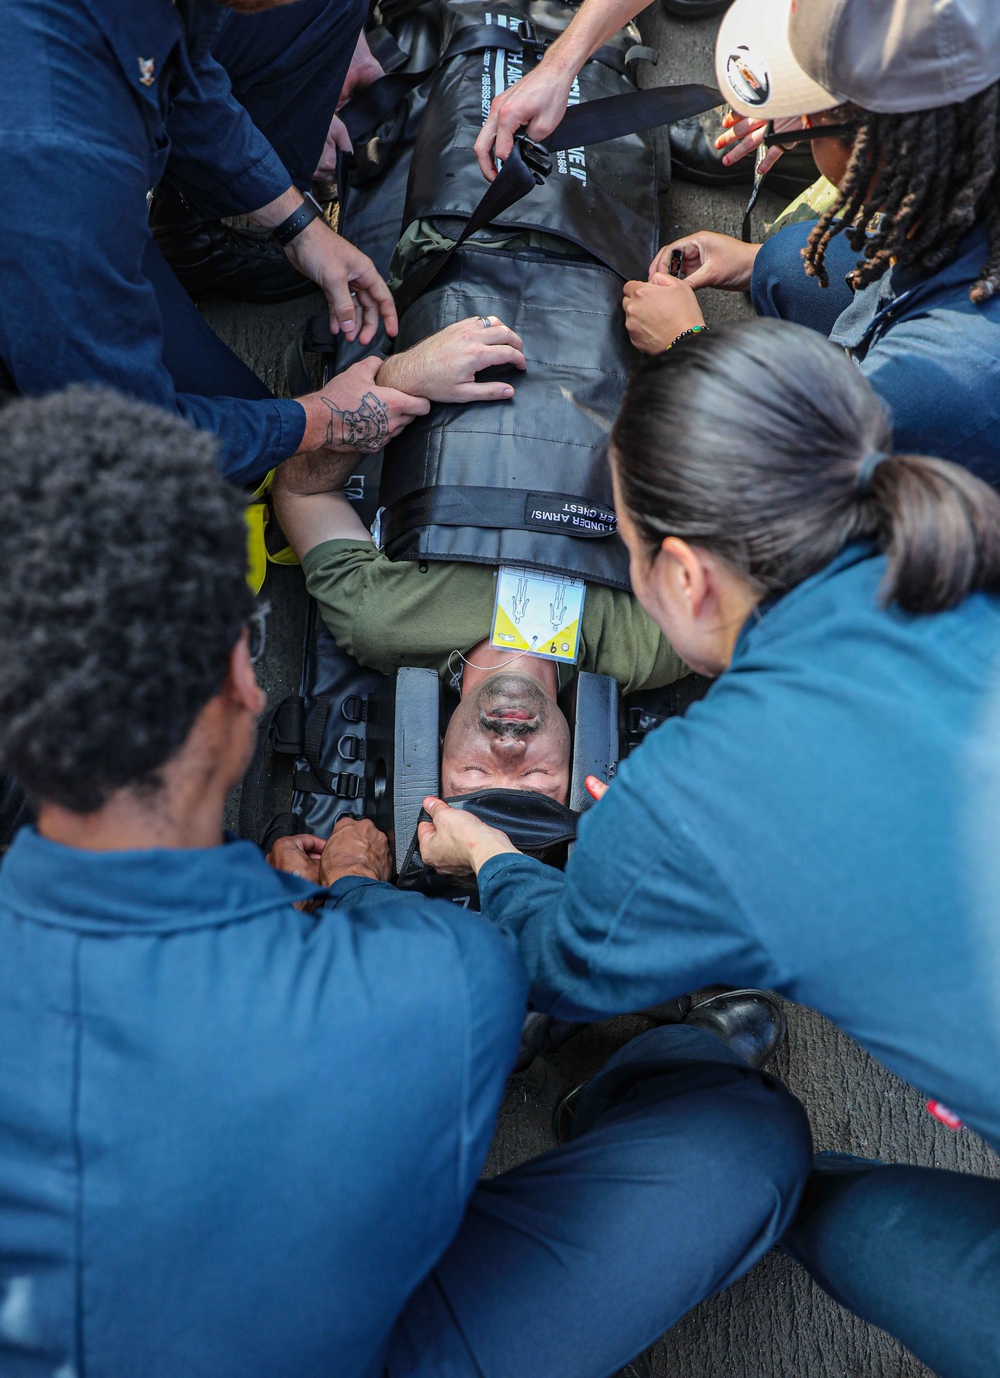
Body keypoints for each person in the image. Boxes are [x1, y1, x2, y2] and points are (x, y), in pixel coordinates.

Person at [0, 386, 812, 1378]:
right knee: (743, 1148)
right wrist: (351, 899)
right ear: (243, 680)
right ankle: (613, 1059)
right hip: (353, 1333)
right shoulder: (438, 975)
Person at [417, 319, 1000, 1378]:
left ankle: (651, 1112)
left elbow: (565, 969)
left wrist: (491, 860)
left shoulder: (700, 793)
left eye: (627, 553)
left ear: (682, 577)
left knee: (834, 1214)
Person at [0, 0, 487, 485]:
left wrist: (296, 222)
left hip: (72, 208)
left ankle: (191, 247)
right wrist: (318, 422)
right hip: (52, 229)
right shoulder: (60, 150)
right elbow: (121, 438)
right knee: (224, 469)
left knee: (319, 2)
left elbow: (182, 63)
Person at [621, 0, 1000, 487]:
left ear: (883, 149)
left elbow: (794, 478)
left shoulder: (937, 381)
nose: (790, 128)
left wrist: (688, 349)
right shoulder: (966, 157)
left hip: (948, 523)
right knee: (785, 263)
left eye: (809, 120)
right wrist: (747, 261)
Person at [273, 374, 688, 802]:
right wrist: (682, 340)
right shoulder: (654, 646)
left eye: (475, 772)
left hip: (458, 338)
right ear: (580, 766)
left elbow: (302, 491)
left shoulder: (378, 620)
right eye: (534, 780)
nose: (508, 747)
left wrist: (406, 376)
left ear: (434, 753)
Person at [471, 0, 835, 185]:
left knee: (784, 260)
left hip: (881, 109)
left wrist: (815, 90)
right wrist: (559, 65)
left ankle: (819, 139)